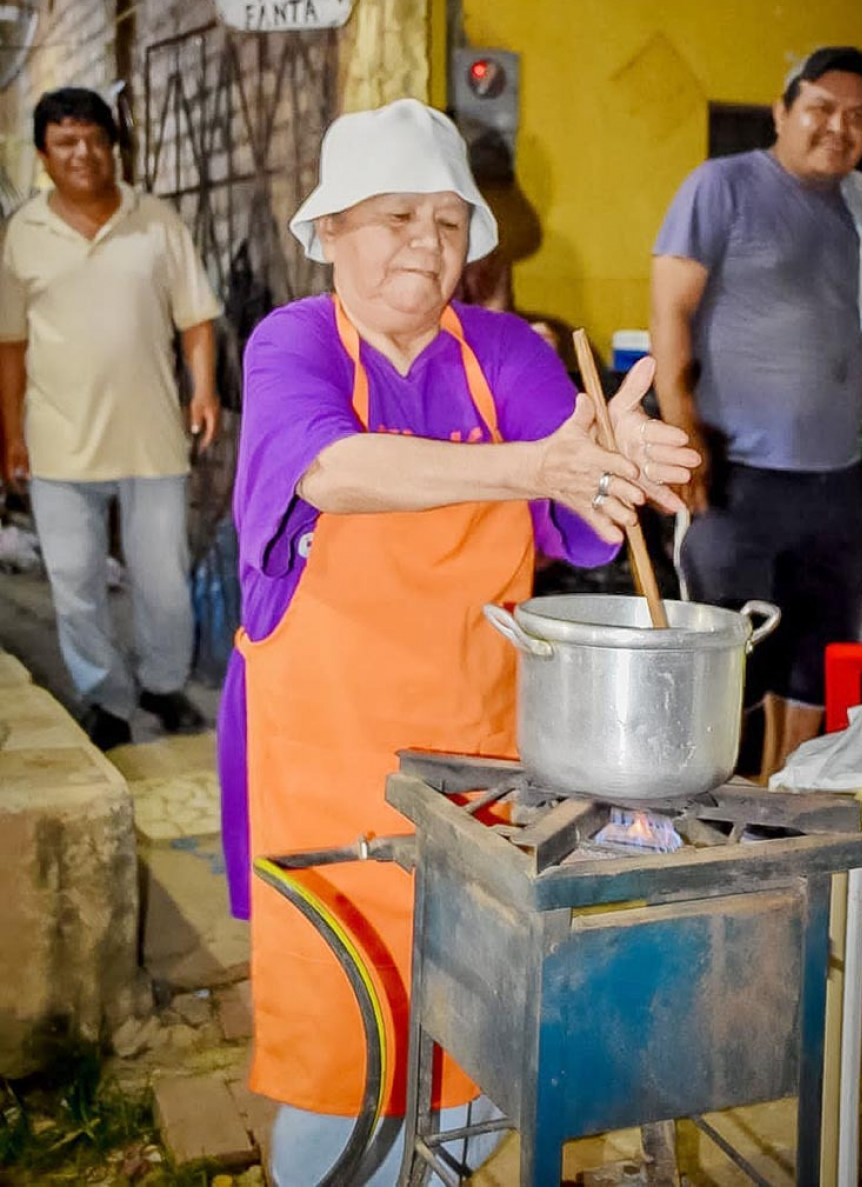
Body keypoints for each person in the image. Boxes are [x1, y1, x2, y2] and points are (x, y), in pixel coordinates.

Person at [218, 98, 699, 1187]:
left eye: (446, 221)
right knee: (348, 1036)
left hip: (474, 758)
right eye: (394, 216)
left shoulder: (508, 351)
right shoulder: (290, 342)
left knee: (476, 1029)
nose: (425, 245)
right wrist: (532, 464)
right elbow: (331, 470)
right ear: (330, 230)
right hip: (326, 759)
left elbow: (576, 499)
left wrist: (616, 459)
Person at [650, 46, 862, 781]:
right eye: (821, 108)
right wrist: (683, 432)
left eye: (859, 116)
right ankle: (696, 824)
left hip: (837, 487)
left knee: (813, 668)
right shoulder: (723, 187)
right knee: (723, 669)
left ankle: (776, 830)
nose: (840, 126)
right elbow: (670, 310)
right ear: (782, 112)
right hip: (736, 478)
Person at [0, 88, 221, 750]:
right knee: (74, 582)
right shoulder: (24, 234)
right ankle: (104, 696)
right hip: (57, 439)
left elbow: (196, 318)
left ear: (114, 145)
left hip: (151, 434)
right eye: (66, 142)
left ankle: (162, 681)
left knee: (163, 581)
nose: (84, 154)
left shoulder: (156, 221)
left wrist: (203, 391)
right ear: (43, 154)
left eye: (95, 139)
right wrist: (9, 430)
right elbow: (10, 344)